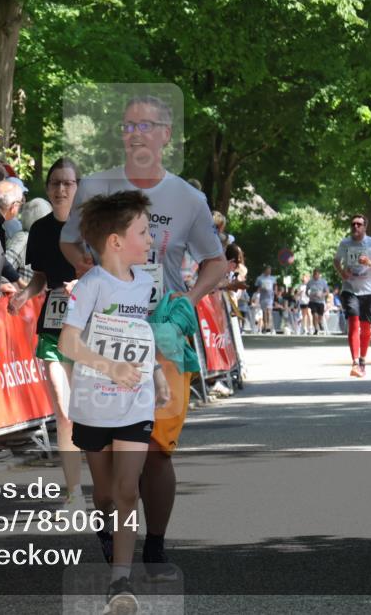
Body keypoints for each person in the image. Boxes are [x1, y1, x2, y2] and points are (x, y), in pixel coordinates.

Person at [59, 95, 226, 580]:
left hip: (161, 342)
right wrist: (90, 272)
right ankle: (114, 527)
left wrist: (185, 302)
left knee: (155, 450)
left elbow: (215, 262)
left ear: (166, 135)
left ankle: (154, 544)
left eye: (146, 125)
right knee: (107, 459)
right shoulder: (96, 185)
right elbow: (71, 239)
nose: (135, 133)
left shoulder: (188, 200)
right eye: (128, 125)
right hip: (105, 338)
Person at [57, 191, 170, 614]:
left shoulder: (145, 282)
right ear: (116, 242)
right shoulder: (91, 284)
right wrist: (109, 368)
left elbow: (139, 333)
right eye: (143, 231)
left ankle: (120, 579)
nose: (150, 237)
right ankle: (106, 531)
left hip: (134, 402)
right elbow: (69, 341)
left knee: (127, 492)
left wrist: (154, 371)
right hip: (93, 402)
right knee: (104, 496)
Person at [7, 159, 84, 510]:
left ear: (78, 186)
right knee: (63, 408)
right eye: (55, 182)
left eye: (67, 183)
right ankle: (73, 492)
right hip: (53, 326)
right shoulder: (39, 229)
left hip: (92, 328)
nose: (60, 189)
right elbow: (40, 276)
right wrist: (27, 292)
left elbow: (112, 271)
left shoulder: (91, 227)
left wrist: (83, 284)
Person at [334, 214, 371, 377]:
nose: (355, 227)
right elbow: (336, 261)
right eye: (353, 224)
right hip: (350, 288)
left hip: (369, 290)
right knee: (353, 321)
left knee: (366, 328)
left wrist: (370, 263)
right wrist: (343, 273)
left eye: (359, 224)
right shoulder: (345, 243)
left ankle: (362, 360)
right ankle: (355, 362)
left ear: (365, 227)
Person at [307, 268, 330, 335]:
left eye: (316, 274)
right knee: (314, 315)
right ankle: (316, 329)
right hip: (313, 301)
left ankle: (319, 323)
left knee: (320, 316)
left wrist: (322, 294)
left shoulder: (323, 282)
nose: (315, 276)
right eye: (314, 274)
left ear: (319, 275)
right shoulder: (310, 282)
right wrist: (309, 295)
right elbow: (307, 291)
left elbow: (327, 292)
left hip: (321, 301)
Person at [255, 266, 277, 334]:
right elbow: (257, 287)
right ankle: (265, 327)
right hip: (263, 297)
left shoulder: (273, 278)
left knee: (269, 312)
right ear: (265, 271)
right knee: (264, 312)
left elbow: (275, 286)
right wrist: (260, 289)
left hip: (270, 297)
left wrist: (275, 291)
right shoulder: (260, 278)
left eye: (270, 270)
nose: (269, 271)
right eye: (268, 270)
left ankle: (270, 328)